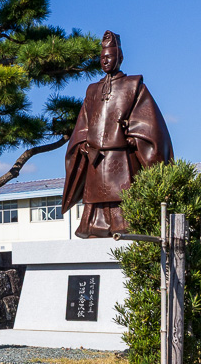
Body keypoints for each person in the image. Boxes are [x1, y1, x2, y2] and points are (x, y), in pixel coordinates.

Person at [61, 31, 173, 238]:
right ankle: (94, 228)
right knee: (95, 197)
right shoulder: (92, 90)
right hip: (96, 157)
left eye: (109, 57)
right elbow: (83, 123)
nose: (105, 61)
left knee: (122, 194)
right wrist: (83, 143)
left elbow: (148, 122)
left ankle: (123, 226)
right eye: (102, 58)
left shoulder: (134, 85)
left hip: (121, 155)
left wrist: (134, 136)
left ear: (119, 58)